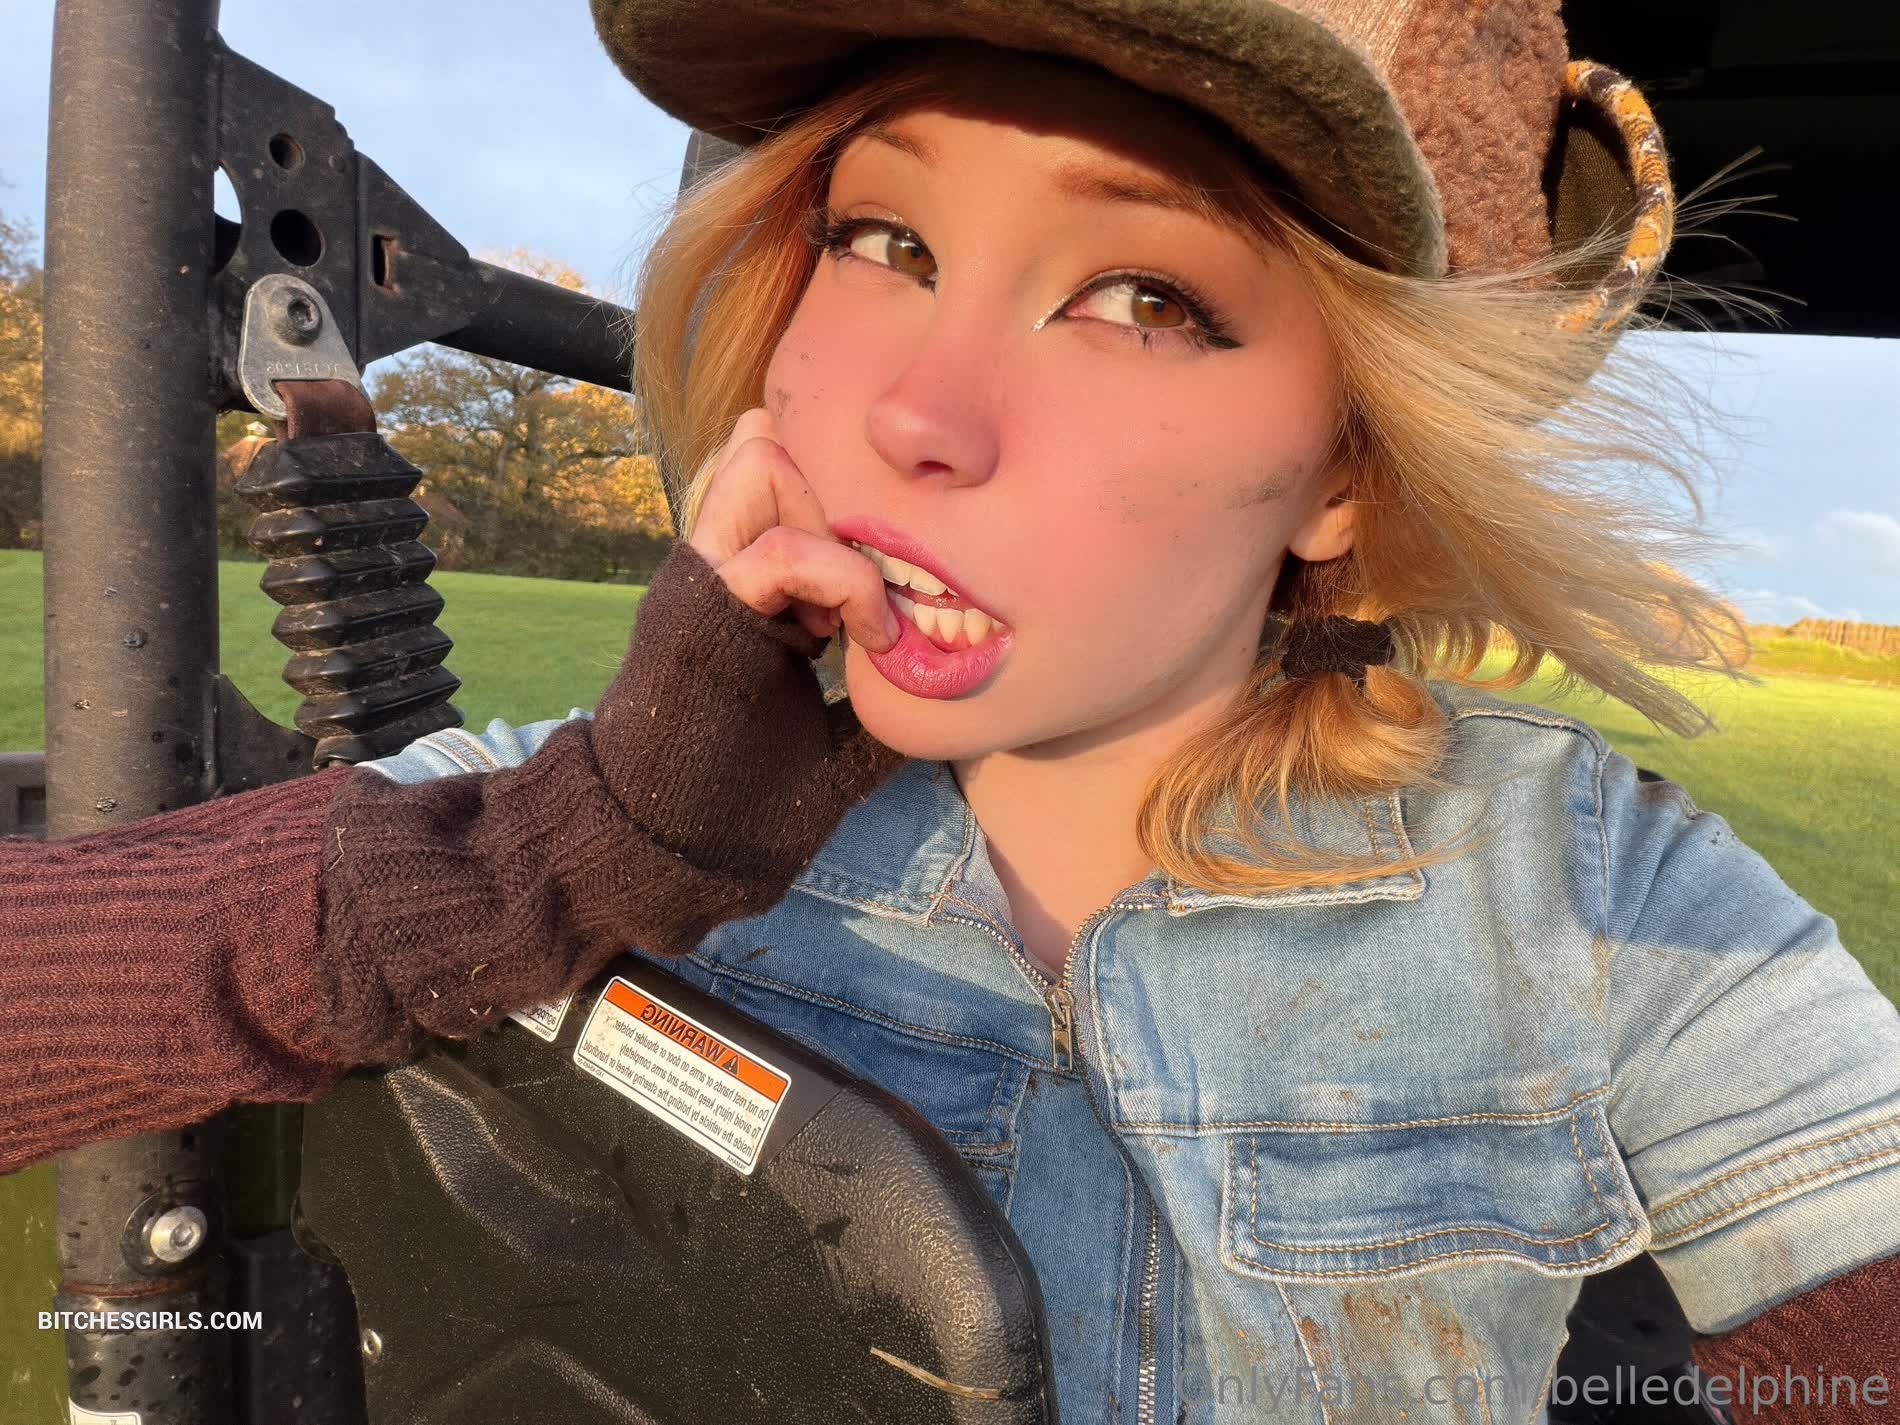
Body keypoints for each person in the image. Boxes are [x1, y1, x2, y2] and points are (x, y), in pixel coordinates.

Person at [4, 0, 1897, 1419]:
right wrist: (580, 848)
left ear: (1345, 468)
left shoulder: (1595, 903)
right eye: (884, 242)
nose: (921, 411)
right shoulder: (595, 814)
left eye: (1143, 297)